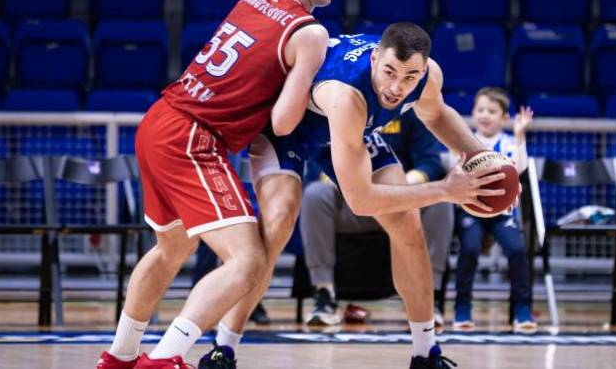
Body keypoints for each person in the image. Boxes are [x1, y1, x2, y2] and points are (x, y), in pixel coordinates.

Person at [95, 0, 343, 368]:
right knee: (248, 262)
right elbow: (283, 123)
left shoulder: (252, 0)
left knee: (171, 248)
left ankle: (119, 357)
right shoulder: (310, 33)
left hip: (158, 121)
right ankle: (165, 359)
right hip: (193, 137)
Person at [217, 23, 510, 369]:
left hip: (349, 131)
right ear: (374, 59)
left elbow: (437, 115)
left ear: (423, 70)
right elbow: (361, 201)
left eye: (410, 77)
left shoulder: (428, 76)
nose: (397, 87)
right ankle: (223, 349)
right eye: (390, 72)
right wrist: (446, 190)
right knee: (279, 223)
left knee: (408, 223)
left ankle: (425, 353)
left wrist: (488, 164)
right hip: (291, 129)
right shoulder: (348, 94)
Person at [300, 110, 455, 327]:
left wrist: (401, 188)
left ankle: (431, 298)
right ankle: (324, 294)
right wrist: (346, 182)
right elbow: (315, 167)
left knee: (441, 203)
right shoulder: (341, 106)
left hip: (403, 203)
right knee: (314, 194)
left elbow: (430, 163)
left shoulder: (411, 112)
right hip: (354, 205)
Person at [448, 87, 537, 334]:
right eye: (480, 110)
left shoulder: (507, 143)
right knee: (469, 249)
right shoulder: (464, 142)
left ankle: (522, 310)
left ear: (504, 118)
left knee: (517, 251)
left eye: (492, 111)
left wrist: (520, 136)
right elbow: (453, 171)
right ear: (473, 113)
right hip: (472, 210)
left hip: (502, 211)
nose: (485, 115)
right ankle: (462, 308)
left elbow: (518, 168)